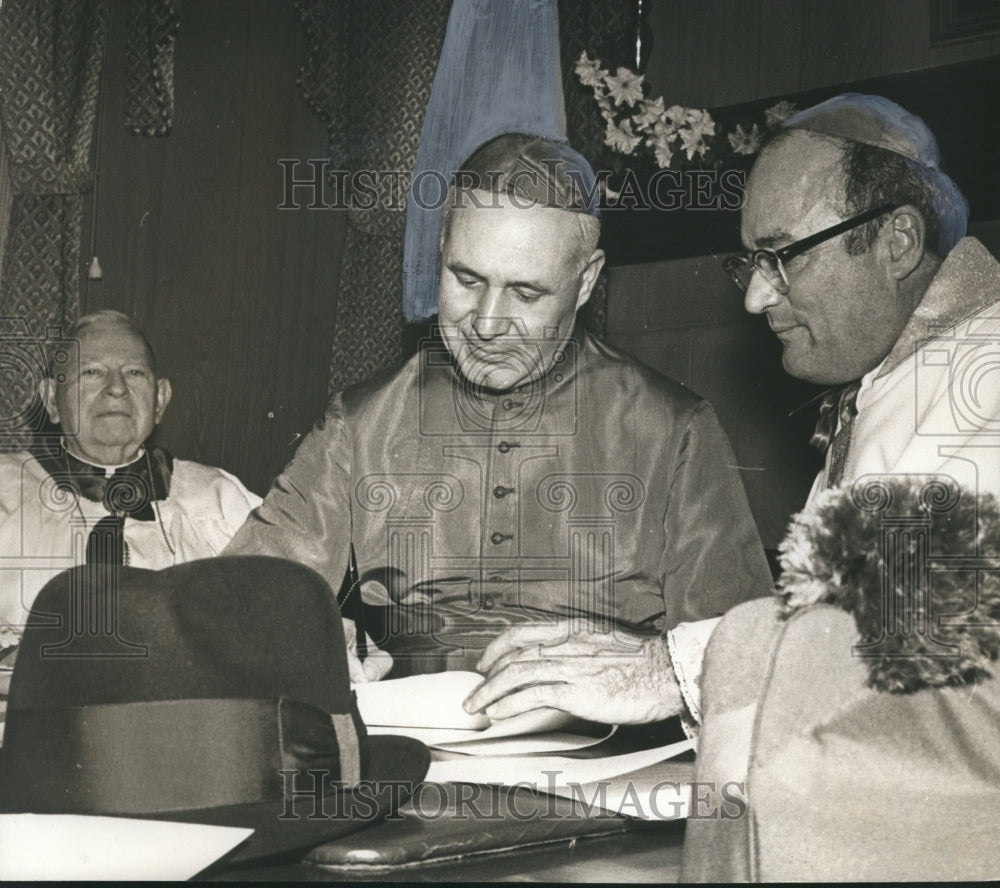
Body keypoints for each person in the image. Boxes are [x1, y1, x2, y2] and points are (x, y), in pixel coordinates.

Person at [225, 132, 773, 697]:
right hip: (417, 762)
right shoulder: (360, 422)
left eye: (525, 294)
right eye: (466, 280)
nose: (486, 324)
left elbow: (741, 654)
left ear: (585, 283)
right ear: (441, 252)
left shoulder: (674, 430)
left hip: (611, 770)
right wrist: (301, 640)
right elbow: (238, 598)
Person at [0, 310, 262, 649]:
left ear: (160, 400)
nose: (117, 389)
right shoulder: (5, 492)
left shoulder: (220, 500)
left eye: (134, 373)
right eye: (92, 372)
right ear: (51, 399)